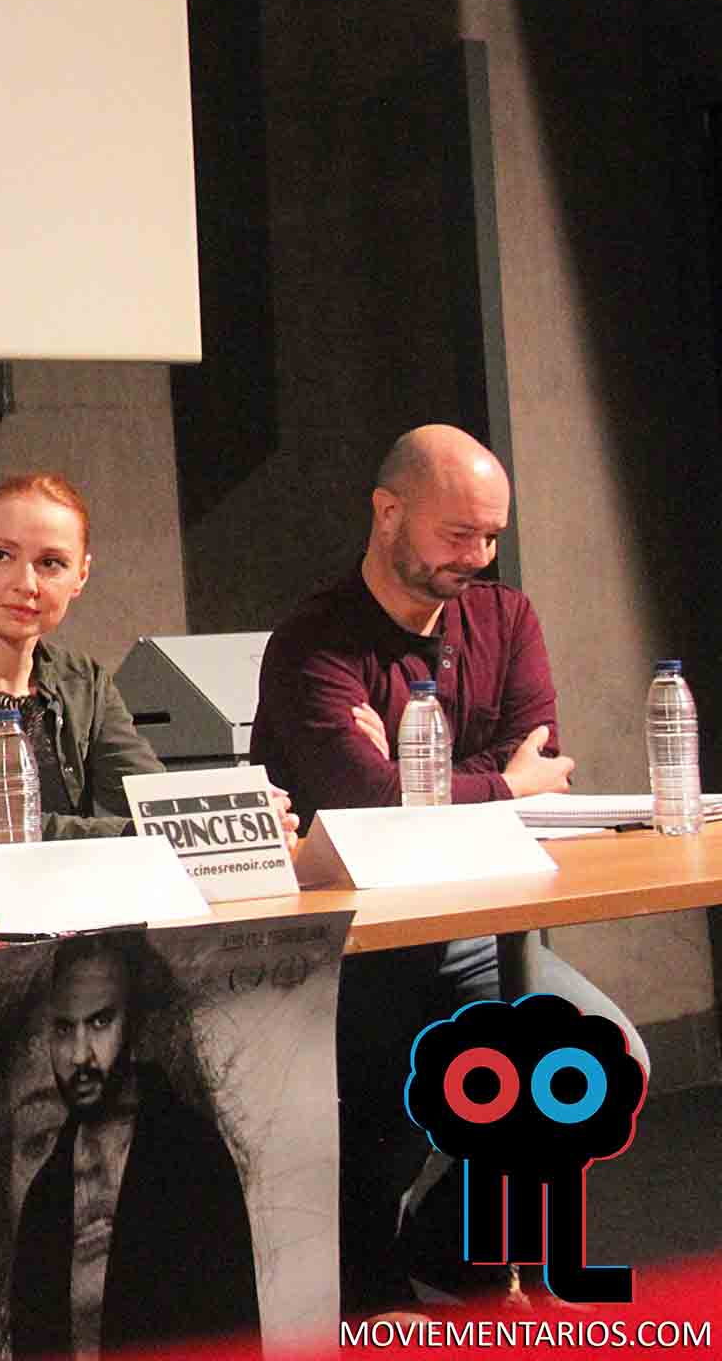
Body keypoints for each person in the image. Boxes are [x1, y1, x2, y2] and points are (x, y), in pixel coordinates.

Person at [249, 422, 643, 1308]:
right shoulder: (313, 644)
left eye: (491, 534)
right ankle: (376, 1280)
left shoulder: (506, 615)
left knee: (601, 1060)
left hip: (481, 930)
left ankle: (456, 1251)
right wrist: (498, 781)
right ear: (389, 514)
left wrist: (441, 784)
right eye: (457, 534)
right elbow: (366, 809)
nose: (479, 554)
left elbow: (542, 768)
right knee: (384, 1131)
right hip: (358, 946)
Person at [0, 471, 296, 848]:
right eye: (2, 555)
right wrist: (155, 832)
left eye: (51, 563)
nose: (25, 583)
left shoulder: (84, 681)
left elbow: (152, 793)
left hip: (73, 909)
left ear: (80, 576)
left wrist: (239, 813)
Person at [8, 934, 260, 1357]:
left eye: (101, 1022)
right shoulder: (45, 1197)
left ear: (136, 1026)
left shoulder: (193, 1160)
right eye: (65, 1029)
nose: (81, 1055)